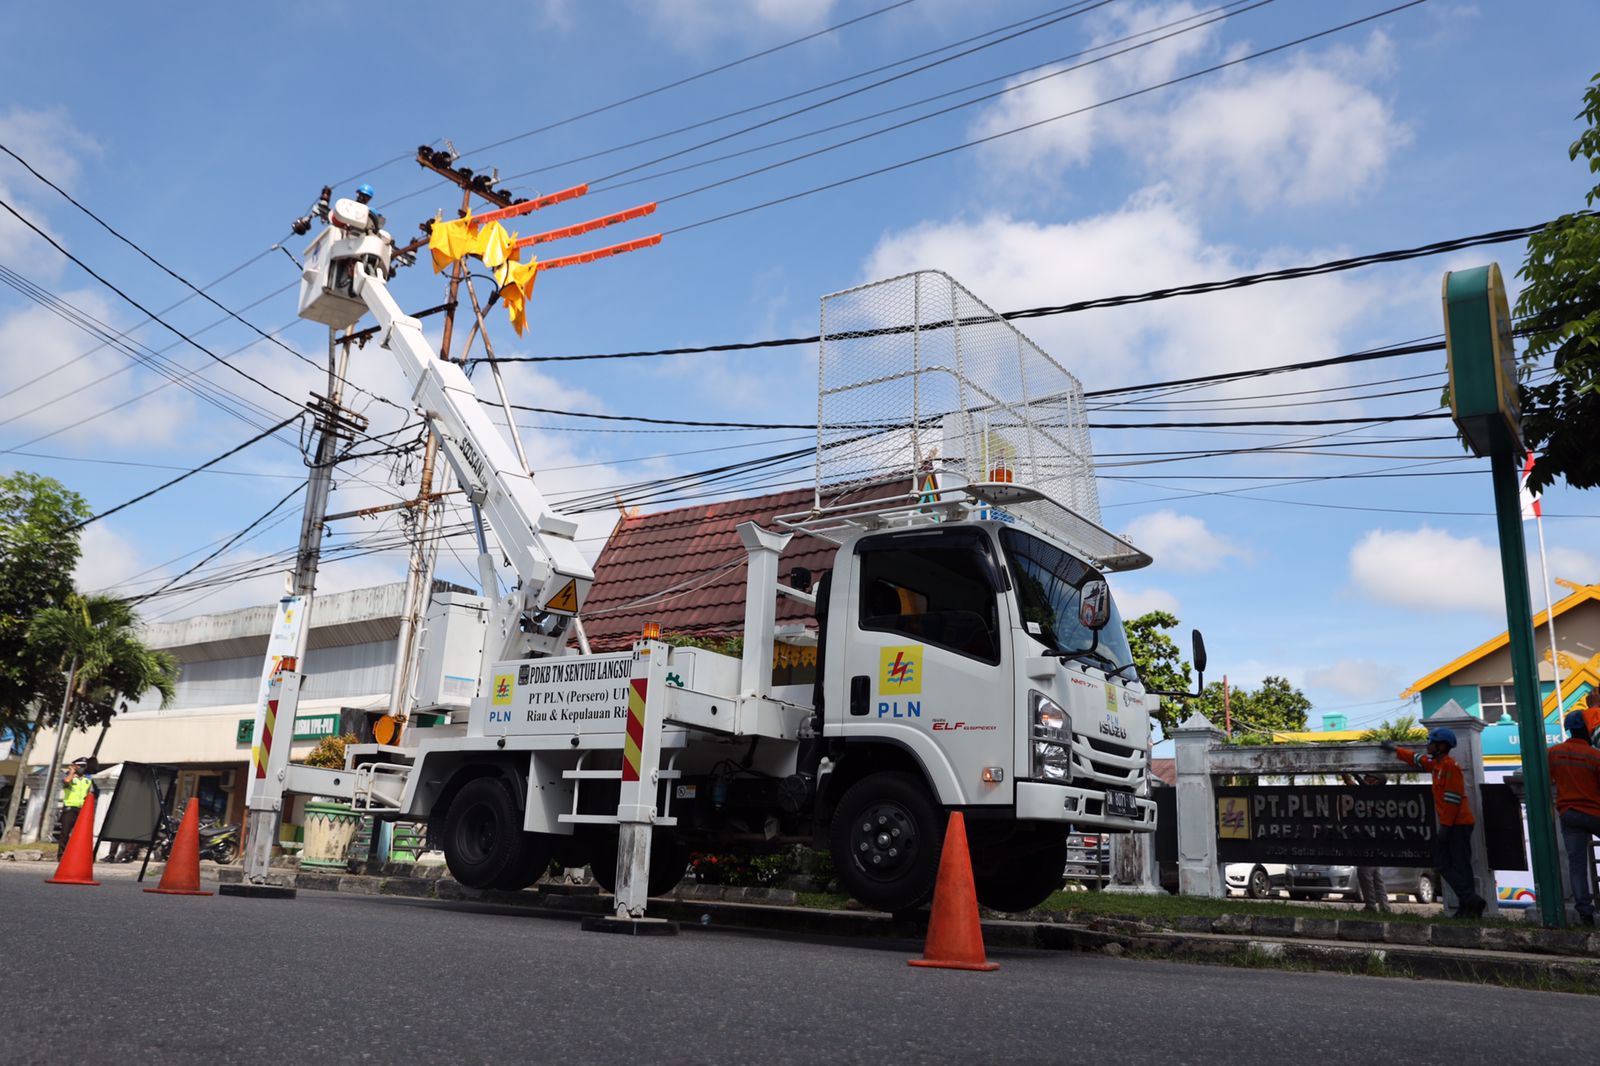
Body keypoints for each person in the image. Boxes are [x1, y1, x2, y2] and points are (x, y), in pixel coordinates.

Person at [1383, 727, 1488, 917]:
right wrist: (1396, 750)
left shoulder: (1450, 767)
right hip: (1452, 824)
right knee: (1454, 865)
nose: (1428, 745)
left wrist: (1446, 826)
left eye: (1431, 742)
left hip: (1458, 824)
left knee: (1453, 864)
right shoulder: (1437, 766)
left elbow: (1453, 799)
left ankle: (1470, 902)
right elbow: (1417, 759)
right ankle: (1470, 903)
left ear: (1441, 746)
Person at [1548, 710, 1600, 927]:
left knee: (1577, 865)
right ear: (1587, 730)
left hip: (1569, 813)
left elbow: (1550, 777)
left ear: (1569, 729)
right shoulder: (1595, 755)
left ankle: (1585, 913)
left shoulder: (1554, 753)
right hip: (1595, 813)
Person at [1341, 771, 1391, 912]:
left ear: (1377, 781)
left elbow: (1362, 788)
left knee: (1365, 872)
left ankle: (1371, 905)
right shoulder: (1366, 792)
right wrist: (1345, 773)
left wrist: (1355, 775)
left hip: (1370, 839)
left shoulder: (1375, 793)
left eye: (1369, 777)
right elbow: (1352, 785)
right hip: (1369, 838)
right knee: (1376, 876)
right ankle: (1384, 906)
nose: (1365, 779)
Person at [56, 758, 97, 848]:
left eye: (84, 766)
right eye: (80, 766)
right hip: (70, 808)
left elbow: (91, 793)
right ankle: (61, 854)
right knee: (65, 833)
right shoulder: (69, 777)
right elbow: (66, 782)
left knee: (79, 833)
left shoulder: (87, 779)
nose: (82, 768)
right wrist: (71, 772)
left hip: (82, 809)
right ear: (74, 766)